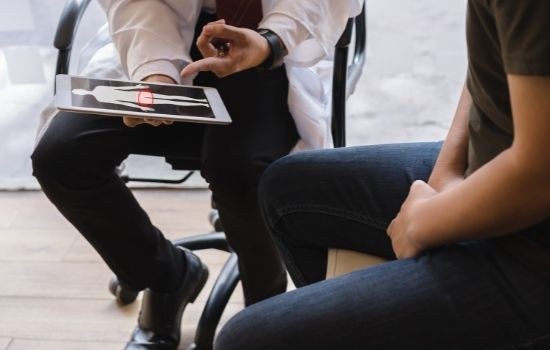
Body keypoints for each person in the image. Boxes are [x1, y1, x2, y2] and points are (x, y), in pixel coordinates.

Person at [209, 1, 550, 349]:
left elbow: (539, 174)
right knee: (284, 191)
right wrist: (444, 176)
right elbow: (492, 63)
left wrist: (423, 222)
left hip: (532, 247)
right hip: (499, 167)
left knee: (245, 340)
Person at [31, 0, 363, 349]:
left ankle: (266, 311)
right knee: (62, 156)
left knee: (241, 172)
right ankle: (168, 276)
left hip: (270, 42)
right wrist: (155, 71)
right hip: (157, 28)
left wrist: (270, 41)